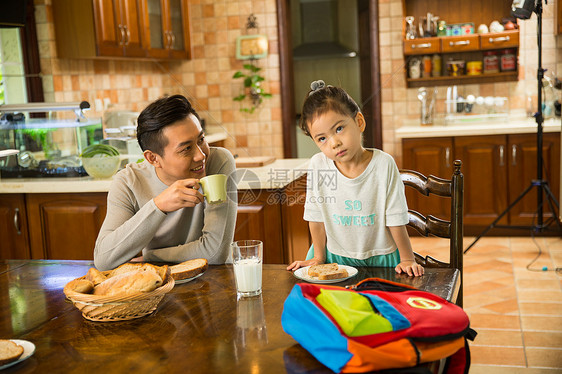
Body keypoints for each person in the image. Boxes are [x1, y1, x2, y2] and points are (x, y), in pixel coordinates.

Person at [287, 81, 423, 276]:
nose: (334, 143)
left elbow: (396, 216)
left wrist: (407, 259)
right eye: (322, 138)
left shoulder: (383, 164)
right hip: (335, 257)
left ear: (359, 122)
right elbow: (315, 217)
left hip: (382, 258)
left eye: (339, 129)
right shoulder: (318, 165)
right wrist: (319, 257)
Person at [94, 94, 237, 271]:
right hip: (158, 286)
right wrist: (158, 206)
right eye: (186, 149)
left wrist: (151, 256)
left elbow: (215, 252)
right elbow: (103, 259)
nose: (201, 155)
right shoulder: (128, 182)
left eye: (201, 140)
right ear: (153, 158)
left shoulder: (218, 162)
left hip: (213, 279)